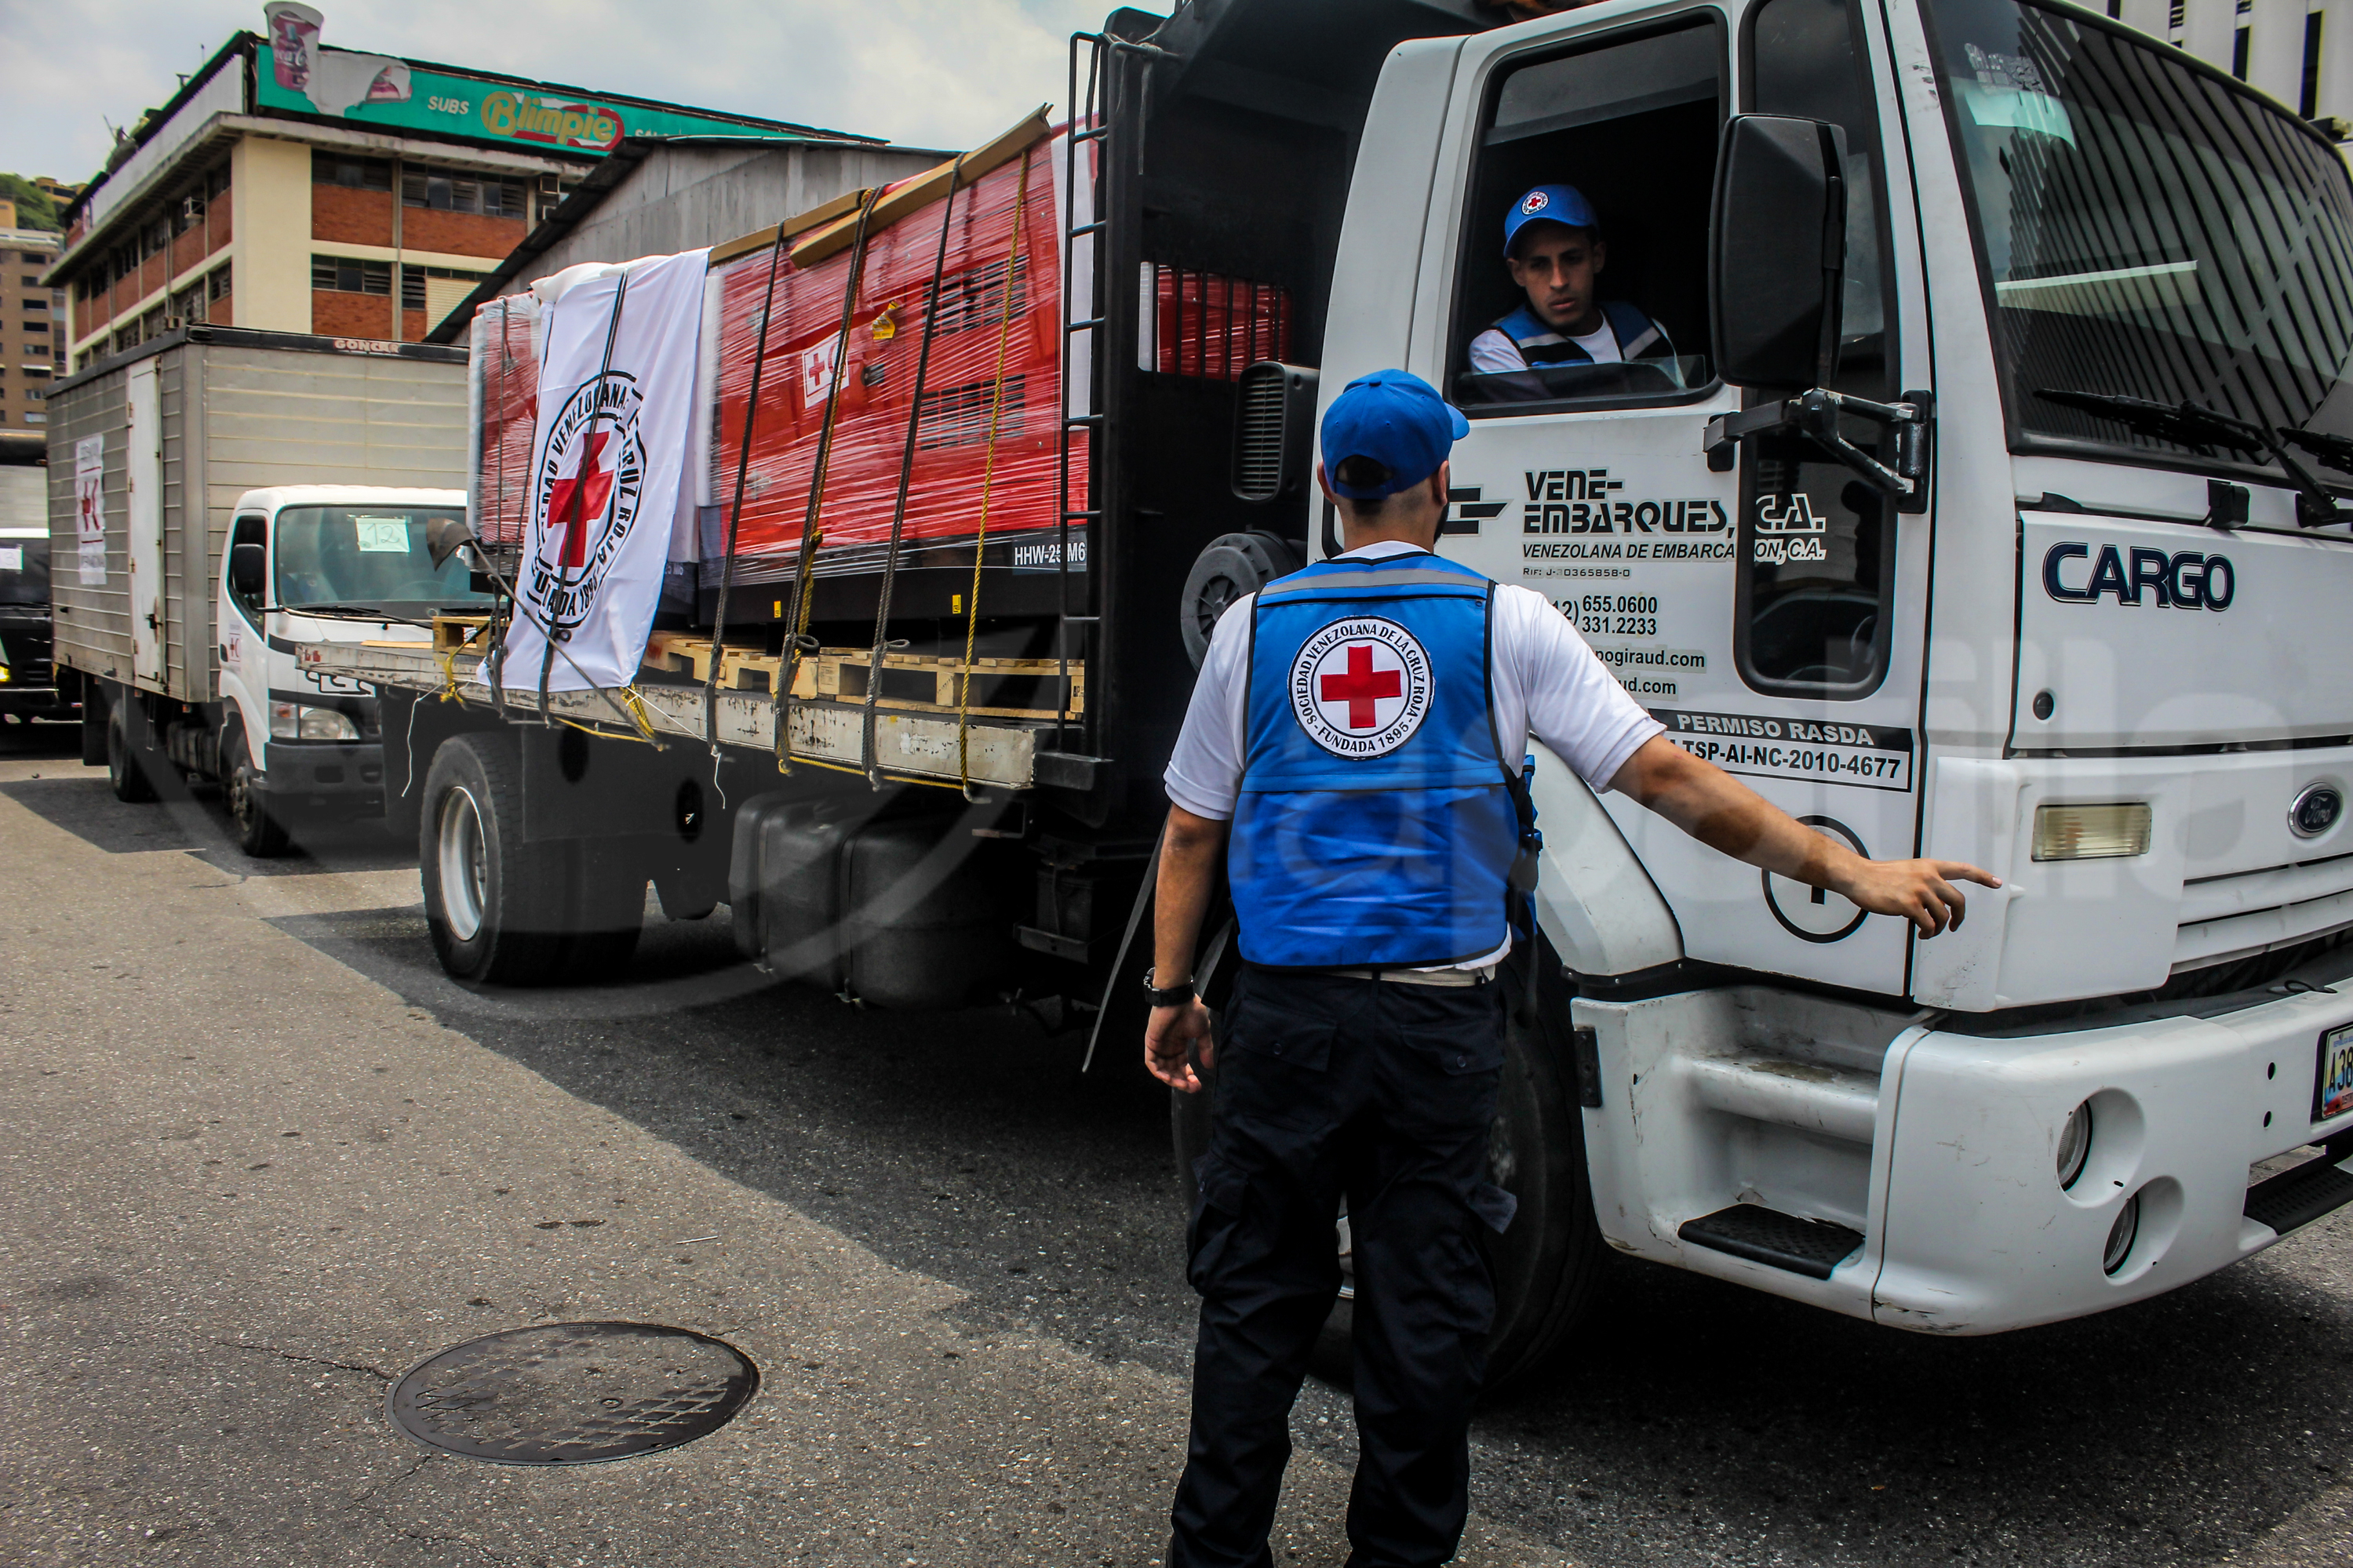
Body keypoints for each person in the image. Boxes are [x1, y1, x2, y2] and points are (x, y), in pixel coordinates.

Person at [1145, 369, 1997, 1568]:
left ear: (1332, 488)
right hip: (1438, 1036)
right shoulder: (1507, 622)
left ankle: (1213, 1553)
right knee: (1420, 1316)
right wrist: (1842, 870)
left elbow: (1192, 826)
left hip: (1284, 1021)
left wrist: (1169, 993)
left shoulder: (1251, 626)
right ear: (1441, 481)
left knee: (1255, 1303)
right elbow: (1662, 780)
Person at [1465, 184, 1680, 387]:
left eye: (1572, 259)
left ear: (1597, 257)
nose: (1558, 282)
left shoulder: (1645, 329)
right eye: (1539, 265)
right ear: (1518, 273)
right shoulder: (1500, 349)